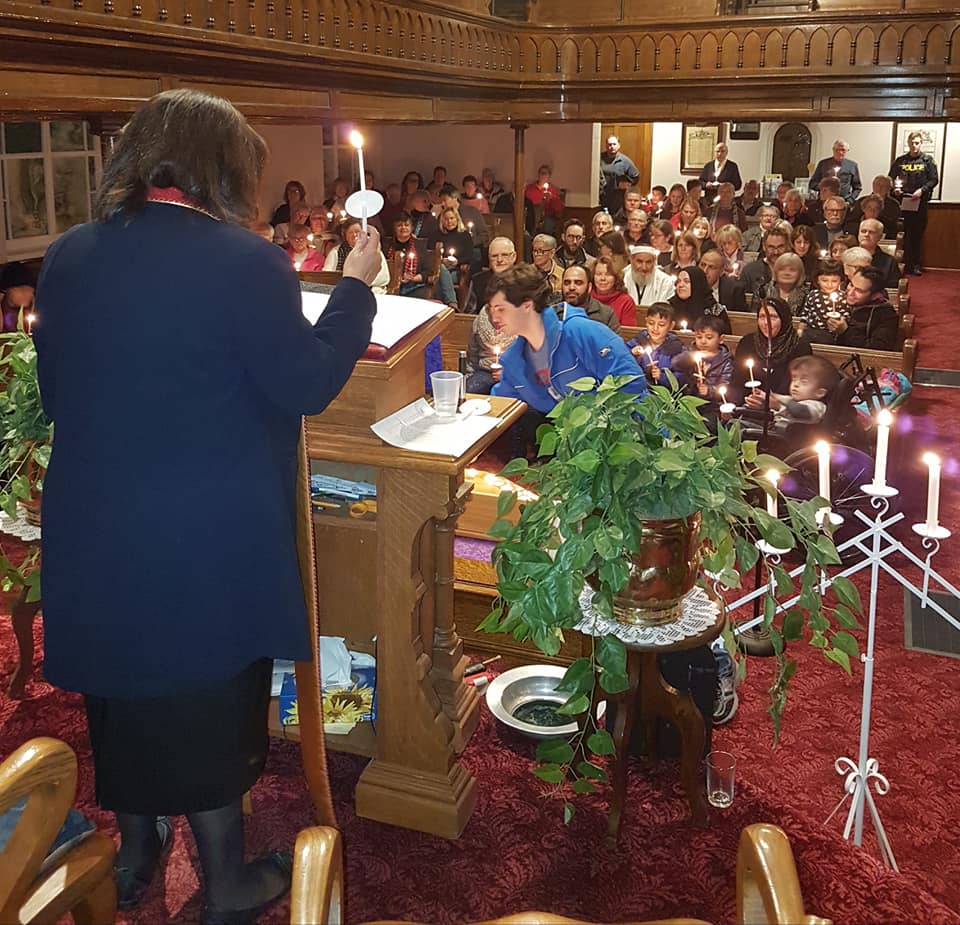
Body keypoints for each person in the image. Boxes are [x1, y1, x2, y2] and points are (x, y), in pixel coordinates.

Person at [32, 89, 384, 923]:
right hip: (201, 533)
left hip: (97, 524)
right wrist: (356, 287)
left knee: (125, 686)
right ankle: (224, 881)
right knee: (202, 693)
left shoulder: (71, 253)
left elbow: (55, 394)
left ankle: (140, 849)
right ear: (224, 168)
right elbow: (303, 380)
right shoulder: (243, 260)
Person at [490, 263, 645, 413]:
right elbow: (501, 403)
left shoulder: (580, 331)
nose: (494, 317)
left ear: (526, 306)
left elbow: (631, 380)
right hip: (573, 433)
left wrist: (594, 423)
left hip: (630, 425)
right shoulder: (514, 360)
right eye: (490, 309)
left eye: (501, 309)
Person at [733, 298, 812, 404]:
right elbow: (737, 380)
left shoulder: (800, 346)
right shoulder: (747, 342)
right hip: (747, 405)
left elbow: (798, 388)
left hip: (784, 410)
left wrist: (771, 403)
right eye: (762, 317)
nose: (766, 323)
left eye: (773, 317)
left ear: (784, 319)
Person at [889, 130, 939, 276]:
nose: (914, 146)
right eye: (911, 143)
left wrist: (922, 191)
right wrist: (895, 189)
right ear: (908, 143)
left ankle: (915, 264)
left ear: (921, 143)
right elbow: (891, 178)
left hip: (919, 202)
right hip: (902, 202)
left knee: (916, 235)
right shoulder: (900, 161)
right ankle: (902, 264)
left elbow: (934, 179)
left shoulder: (927, 160)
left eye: (917, 143)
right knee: (902, 234)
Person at [828, 264, 899, 350]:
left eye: (859, 290)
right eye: (851, 285)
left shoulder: (886, 315)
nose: (850, 293)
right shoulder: (840, 299)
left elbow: (877, 349)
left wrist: (845, 331)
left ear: (875, 295)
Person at [765, 355, 840, 433]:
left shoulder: (817, 407)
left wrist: (777, 406)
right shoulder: (793, 400)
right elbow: (785, 399)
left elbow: (799, 411)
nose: (795, 384)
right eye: (794, 379)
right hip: (771, 429)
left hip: (787, 439)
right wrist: (769, 396)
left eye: (804, 382)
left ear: (820, 392)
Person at [625, 302, 686, 387]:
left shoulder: (676, 348)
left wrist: (662, 377)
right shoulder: (638, 341)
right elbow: (622, 356)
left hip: (664, 394)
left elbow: (682, 376)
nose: (655, 328)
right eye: (651, 323)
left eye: (661, 325)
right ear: (646, 321)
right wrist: (631, 353)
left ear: (671, 326)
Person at [324, 216, 390, 292]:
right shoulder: (336, 252)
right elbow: (327, 275)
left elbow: (384, 278)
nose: (354, 235)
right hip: (344, 290)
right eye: (350, 232)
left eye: (357, 232)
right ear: (345, 235)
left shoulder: (373, 250)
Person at [686, 314, 733, 408]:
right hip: (690, 402)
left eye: (709, 337)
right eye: (699, 337)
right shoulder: (688, 355)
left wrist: (710, 390)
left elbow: (726, 385)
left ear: (721, 339)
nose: (703, 341)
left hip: (714, 405)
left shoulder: (726, 361)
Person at [558, 264, 621, 332]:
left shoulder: (606, 314)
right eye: (567, 283)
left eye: (578, 283)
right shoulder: (553, 311)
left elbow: (614, 342)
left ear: (589, 287)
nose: (571, 287)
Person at [797, 259, 846, 344]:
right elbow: (805, 316)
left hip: (830, 335)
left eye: (834, 281)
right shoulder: (812, 295)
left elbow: (845, 317)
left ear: (840, 280)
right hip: (811, 331)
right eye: (825, 280)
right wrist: (800, 330)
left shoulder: (843, 297)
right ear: (817, 280)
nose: (829, 285)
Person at [669, 265, 730, 334]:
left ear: (697, 284)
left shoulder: (714, 310)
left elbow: (725, 338)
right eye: (679, 281)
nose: (680, 285)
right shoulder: (670, 307)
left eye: (686, 281)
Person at [590, 255, 638, 326]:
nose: (603, 278)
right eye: (598, 274)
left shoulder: (626, 301)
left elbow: (628, 332)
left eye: (608, 274)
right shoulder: (586, 297)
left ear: (616, 278)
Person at [810, 139, 862, 203]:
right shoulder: (823, 164)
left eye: (843, 150)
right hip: (825, 201)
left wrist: (850, 201)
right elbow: (812, 184)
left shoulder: (852, 165)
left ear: (847, 151)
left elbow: (857, 188)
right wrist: (824, 187)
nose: (840, 152)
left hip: (844, 201)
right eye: (837, 150)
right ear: (833, 150)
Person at [699, 248, 747, 314]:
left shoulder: (735, 289)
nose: (705, 271)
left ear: (721, 271)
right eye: (703, 265)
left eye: (711, 267)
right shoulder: (690, 285)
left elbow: (741, 319)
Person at [759, 252, 808, 316]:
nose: (787, 273)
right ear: (776, 272)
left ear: (800, 274)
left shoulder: (807, 295)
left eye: (792, 270)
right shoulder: (763, 291)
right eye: (782, 269)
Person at [857, 218, 900, 289]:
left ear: (880, 237)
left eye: (871, 232)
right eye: (863, 231)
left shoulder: (889, 261)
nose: (866, 235)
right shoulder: (848, 256)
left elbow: (893, 288)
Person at [599, 135, 639, 211]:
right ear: (606, 146)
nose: (612, 147)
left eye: (614, 144)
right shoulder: (599, 158)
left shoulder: (624, 160)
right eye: (609, 144)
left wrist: (628, 184)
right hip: (601, 195)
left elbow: (636, 176)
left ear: (619, 145)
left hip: (617, 197)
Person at [524, 164, 563, 235]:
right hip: (531, 215)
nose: (543, 176)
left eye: (545, 174)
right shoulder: (530, 189)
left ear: (549, 176)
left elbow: (558, 209)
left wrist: (552, 199)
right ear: (538, 175)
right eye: (541, 173)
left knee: (548, 224)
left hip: (546, 217)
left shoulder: (552, 190)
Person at [0, 261, 37, 332]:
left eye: (29, 290)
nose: (26, 294)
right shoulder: (3, 307)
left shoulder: (37, 309)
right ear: (5, 290)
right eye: (21, 290)